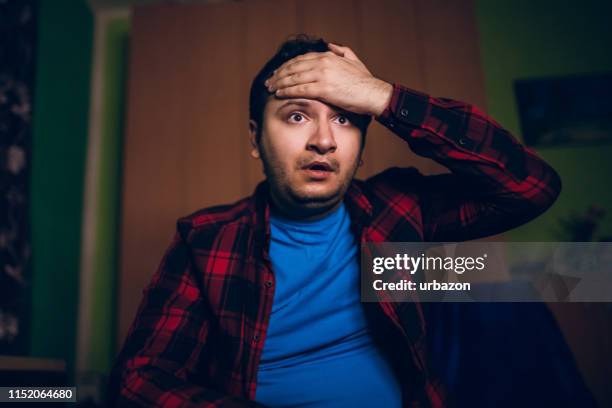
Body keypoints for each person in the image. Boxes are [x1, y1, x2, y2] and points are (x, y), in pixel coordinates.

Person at [108, 35, 561, 407]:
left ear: (361, 149)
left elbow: (532, 186)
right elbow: (138, 379)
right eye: (297, 116)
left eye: (345, 119)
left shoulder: (399, 209)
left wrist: (383, 97)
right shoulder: (206, 241)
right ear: (255, 139)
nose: (323, 140)